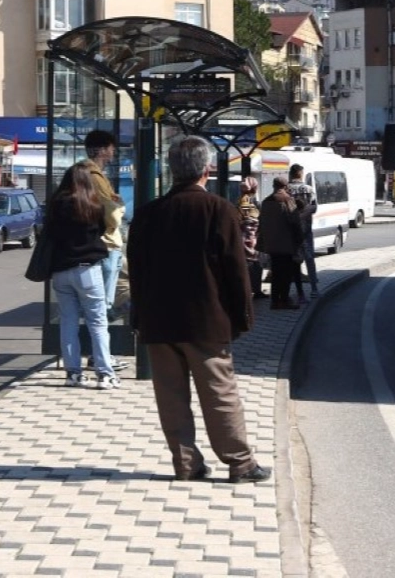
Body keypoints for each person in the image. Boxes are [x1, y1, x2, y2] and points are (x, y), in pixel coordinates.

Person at [127, 135, 268, 483]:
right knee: (219, 392)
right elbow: (235, 269)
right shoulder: (219, 209)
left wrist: (139, 316)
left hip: (159, 321)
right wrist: (243, 317)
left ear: (172, 170)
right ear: (206, 170)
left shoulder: (147, 214)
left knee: (171, 396)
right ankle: (240, 463)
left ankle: (186, 463)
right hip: (206, 319)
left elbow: (136, 269)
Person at [45, 159, 120, 389]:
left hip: (60, 271)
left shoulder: (55, 205)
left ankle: (73, 374)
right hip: (87, 270)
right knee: (97, 323)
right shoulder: (92, 205)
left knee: (68, 322)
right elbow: (108, 225)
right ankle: (105, 375)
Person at [82, 129, 127, 318]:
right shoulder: (94, 175)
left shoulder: (87, 172)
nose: (113, 152)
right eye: (111, 148)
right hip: (106, 241)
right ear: (102, 150)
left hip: (101, 240)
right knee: (104, 299)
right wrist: (120, 206)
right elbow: (112, 212)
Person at [256, 176, 303, 310]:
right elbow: (295, 222)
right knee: (286, 273)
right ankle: (284, 300)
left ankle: (275, 301)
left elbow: (261, 222)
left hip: (271, 244)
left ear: (273, 186)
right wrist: (299, 240)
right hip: (286, 244)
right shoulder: (288, 200)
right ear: (285, 186)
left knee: (275, 272)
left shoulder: (266, 202)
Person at [287, 163, 320, 300]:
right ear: (301, 173)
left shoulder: (286, 189)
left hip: (289, 232)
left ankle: (291, 292)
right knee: (309, 260)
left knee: (291, 262)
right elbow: (314, 207)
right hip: (306, 230)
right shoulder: (308, 189)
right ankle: (314, 289)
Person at [237, 175, 262, 297]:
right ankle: (255, 289)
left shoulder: (244, 199)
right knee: (253, 264)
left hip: (247, 237)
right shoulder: (247, 200)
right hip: (250, 237)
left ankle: (254, 289)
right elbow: (249, 217)